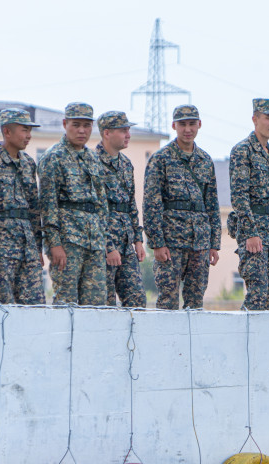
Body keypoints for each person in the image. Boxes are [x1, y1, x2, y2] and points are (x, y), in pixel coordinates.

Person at [144, 104, 220, 309]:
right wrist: (157, 243)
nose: (188, 129)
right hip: (171, 242)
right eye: (183, 124)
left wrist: (214, 244)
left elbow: (212, 204)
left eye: (192, 124)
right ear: (174, 126)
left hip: (200, 242)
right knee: (168, 299)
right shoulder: (161, 159)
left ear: (199, 125)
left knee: (195, 301)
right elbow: (151, 204)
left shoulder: (205, 160)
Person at [39, 102, 108, 305]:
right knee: (66, 301)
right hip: (68, 241)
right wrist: (55, 244)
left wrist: (101, 234)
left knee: (96, 302)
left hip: (94, 240)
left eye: (86, 126)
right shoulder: (54, 157)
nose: (81, 130)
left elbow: (101, 202)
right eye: (76, 125)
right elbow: (48, 204)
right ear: (64, 124)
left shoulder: (92, 158)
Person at [228, 98, 269, 311]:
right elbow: (239, 196)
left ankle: (259, 343)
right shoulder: (243, 150)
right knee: (257, 293)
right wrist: (251, 233)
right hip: (253, 232)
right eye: (268, 118)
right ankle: (241, 339)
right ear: (255, 119)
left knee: (267, 298)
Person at [0, 108, 44, 304]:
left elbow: (34, 209)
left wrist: (38, 247)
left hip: (27, 243)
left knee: (35, 302)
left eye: (30, 130)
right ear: (7, 132)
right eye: (24, 130)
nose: (28, 136)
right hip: (3, 244)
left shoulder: (28, 163)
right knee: (2, 302)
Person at [96, 111, 146, 308]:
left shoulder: (126, 164)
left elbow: (130, 204)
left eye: (128, 130)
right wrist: (109, 247)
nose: (128, 134)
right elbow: (96, 210)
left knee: (137, 300)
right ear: (107, 133)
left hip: (126, 244)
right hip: (103, 246)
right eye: (123, 130)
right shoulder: (92, 163)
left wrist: (138, 240)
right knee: (105, 303)